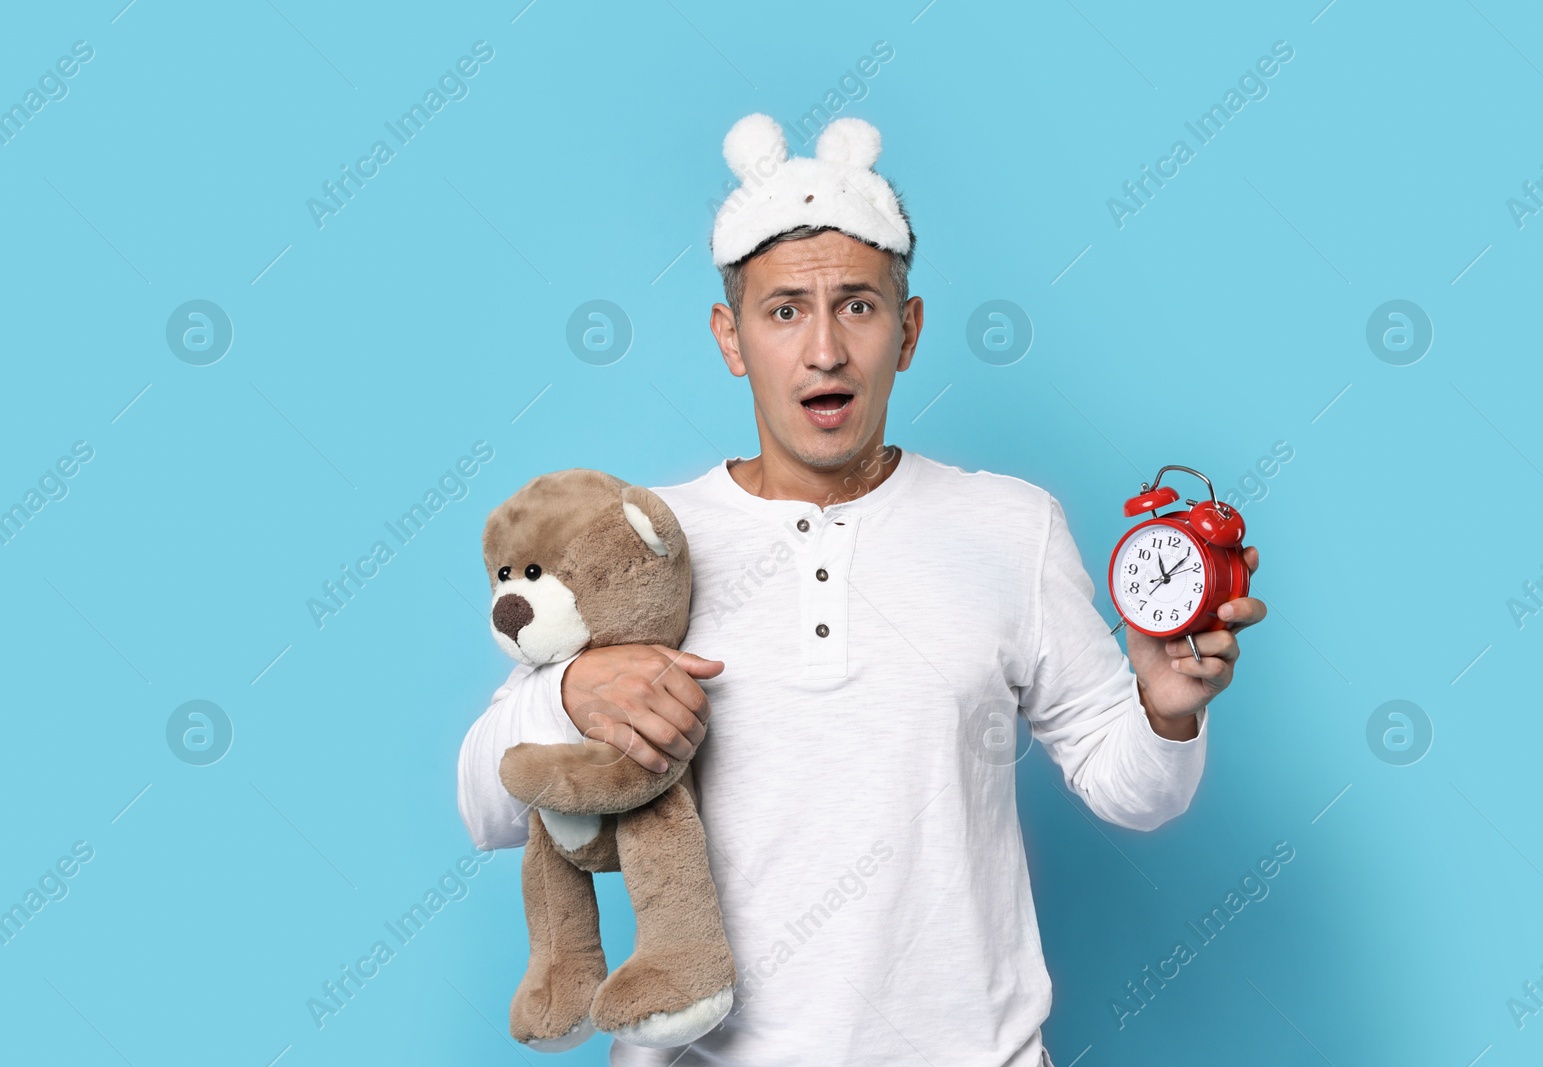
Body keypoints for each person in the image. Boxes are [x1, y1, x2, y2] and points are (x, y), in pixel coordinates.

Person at [457, 113, 1266, 1066]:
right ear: (731, 337)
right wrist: (565, 693)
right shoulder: (642, 541)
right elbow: (487, 804)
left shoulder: (1011, 525)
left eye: (859, 305)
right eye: (785, 311)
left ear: (909, 329)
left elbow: (1138, 795)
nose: (825, 350)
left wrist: (1167, 713)